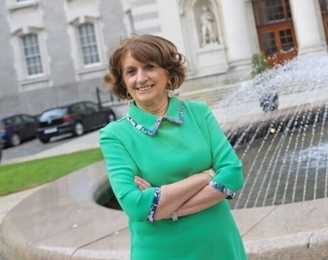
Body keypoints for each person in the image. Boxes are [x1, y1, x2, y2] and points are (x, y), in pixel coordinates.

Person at [100, 34, 246, 260]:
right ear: (124, 84)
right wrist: (207, 175)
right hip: (160, 253)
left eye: (149, 67)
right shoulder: (114, 135)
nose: (140, 78)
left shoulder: (199, 113)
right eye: (131, 71)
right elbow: (136, 205)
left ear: (168, 73)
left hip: (219, 247)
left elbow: (233, 174)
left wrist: (167, 208)